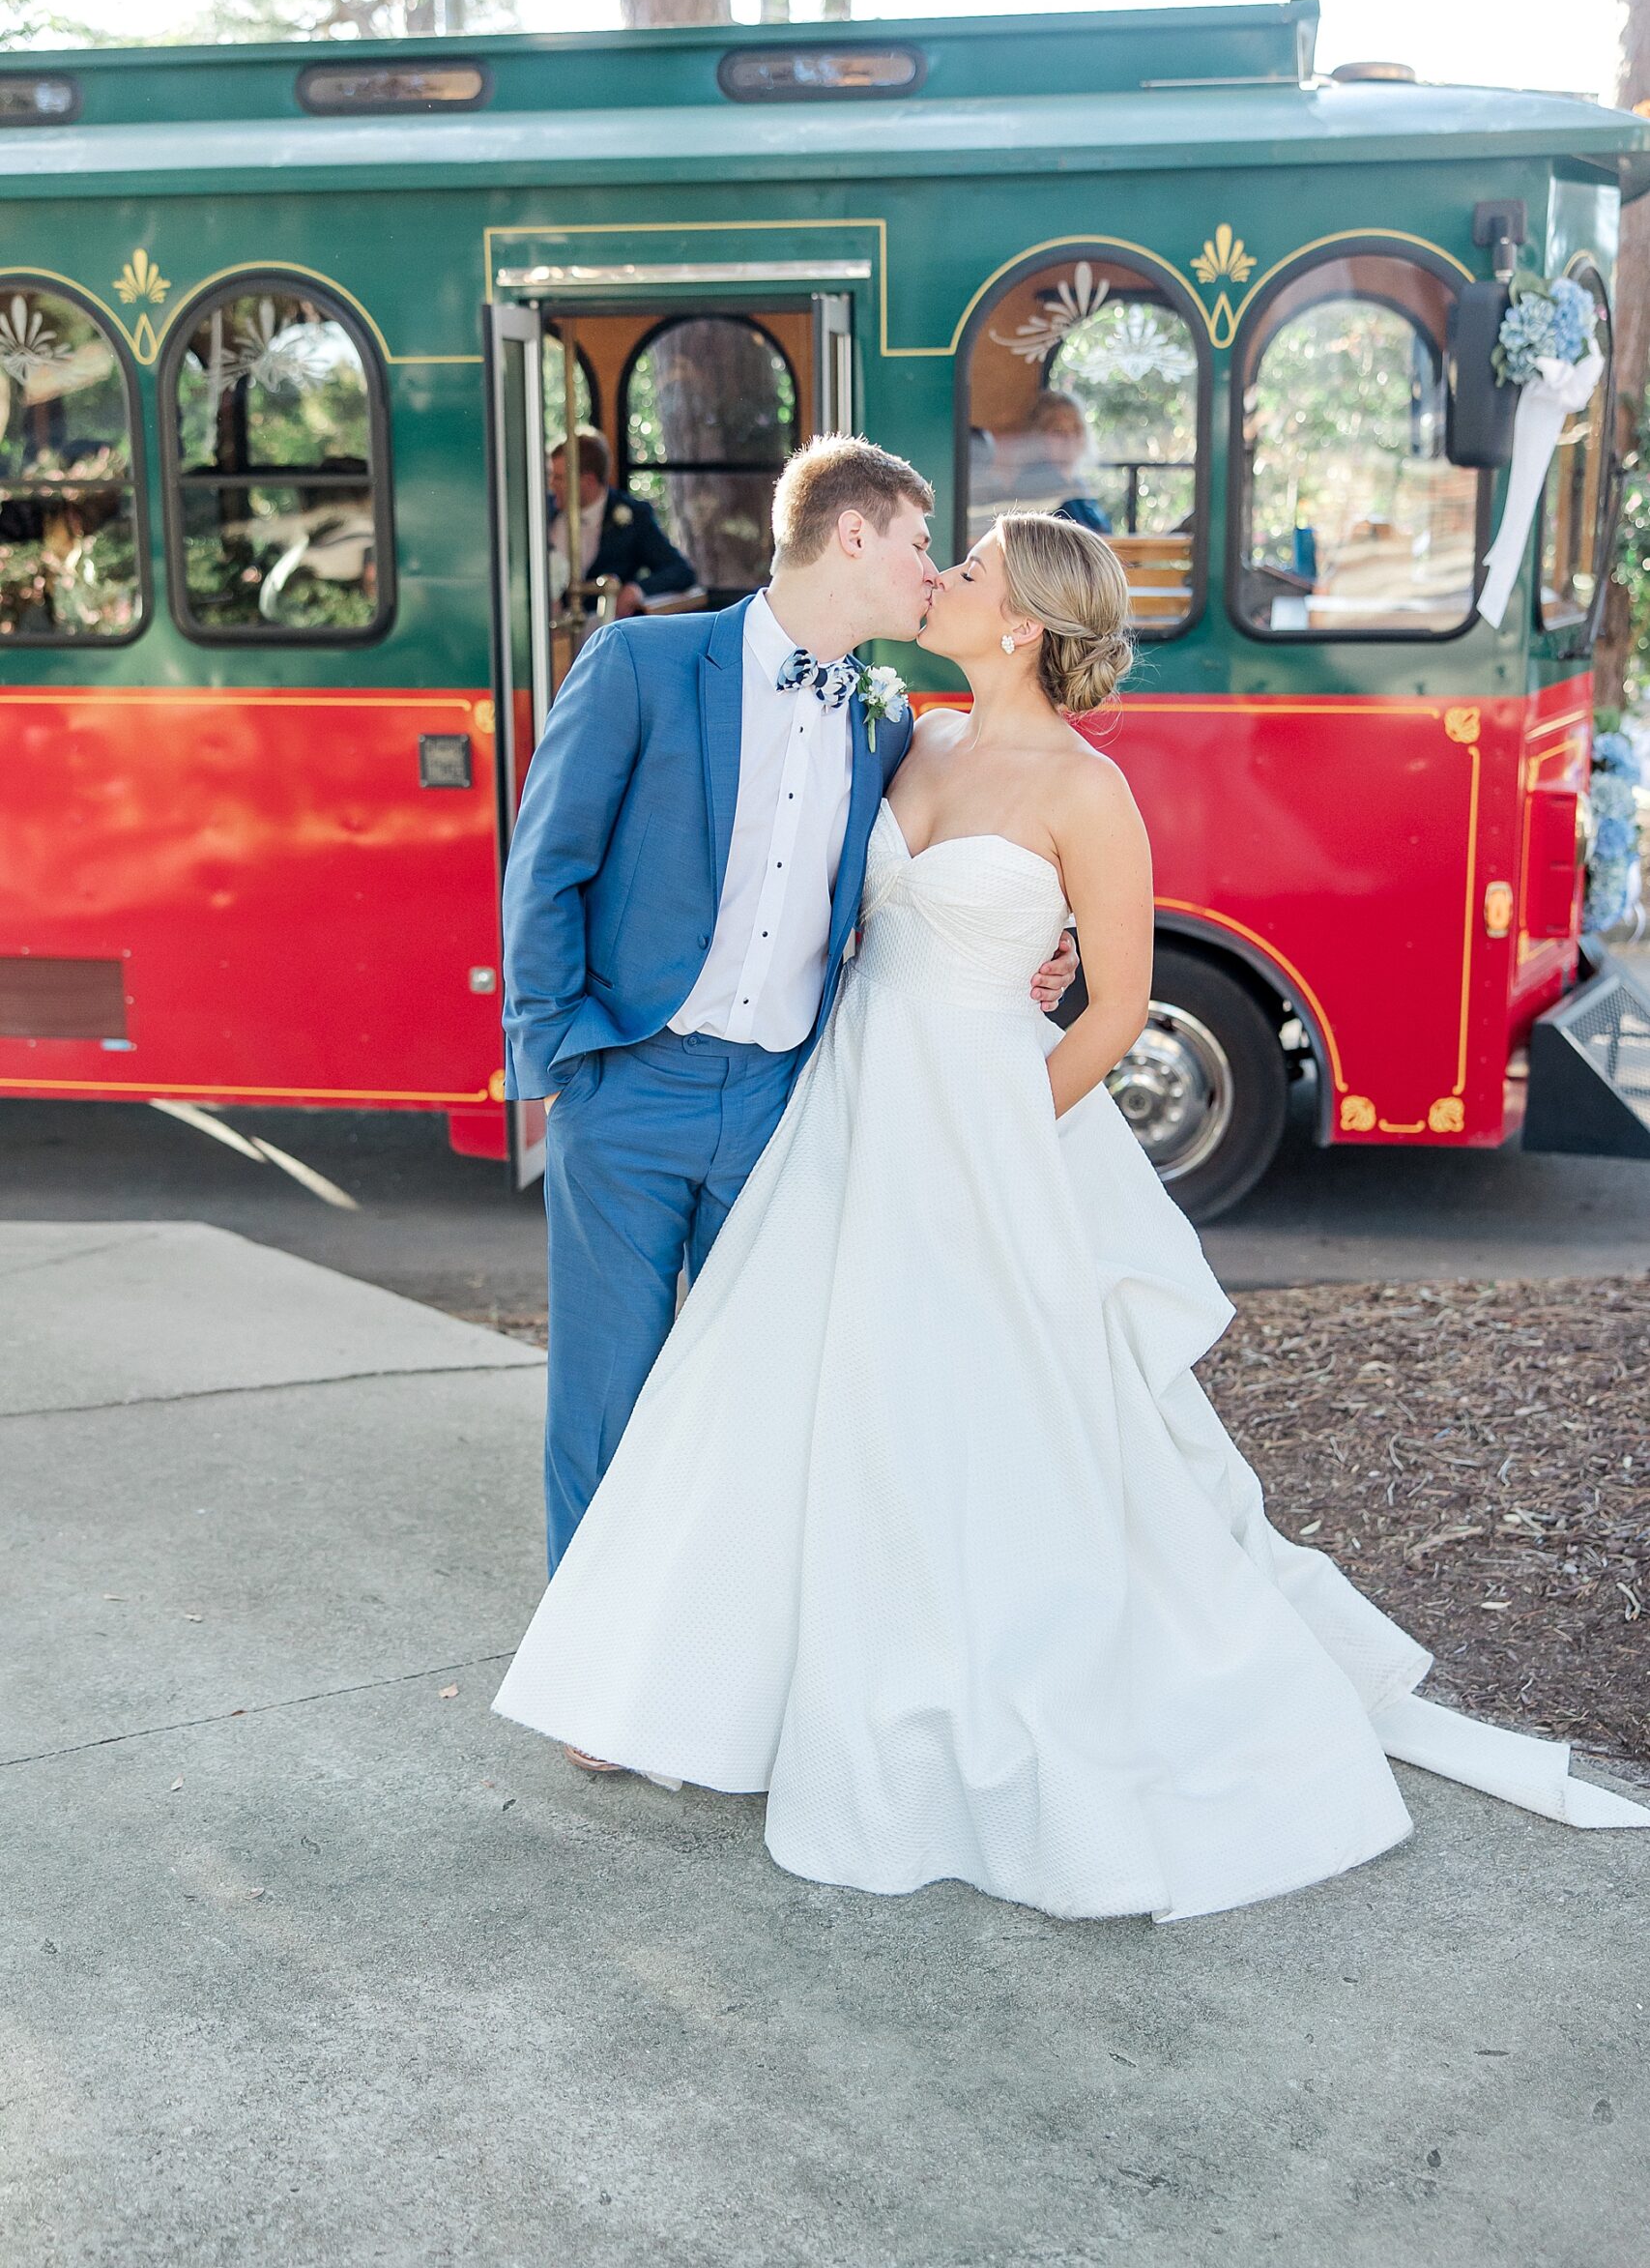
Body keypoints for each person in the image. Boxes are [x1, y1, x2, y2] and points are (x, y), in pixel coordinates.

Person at [496, 507, 1649, 1917]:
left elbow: (1112, 1006)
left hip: (973, 1129)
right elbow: (836, 909)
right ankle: (681, 1679)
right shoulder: (903, 733)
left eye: (964, 571)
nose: (940, 579)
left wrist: (996, 1123)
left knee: (958, 1421)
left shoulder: (1086, 793)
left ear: (1023, 622)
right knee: (773, 1398)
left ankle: (938, 1684)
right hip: (844, 1105)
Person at [501, 437, 1078, 1607]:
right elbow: (545, 868)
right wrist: (558, 1059)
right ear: (852, 537)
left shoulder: (890, 717)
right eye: (923, 544)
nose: (933, 569)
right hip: (631, 1083)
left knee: (750, 1391)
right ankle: (590, 1652)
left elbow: (953, 858)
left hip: (783, 1102)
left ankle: (710, 1643)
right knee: (606, 1385)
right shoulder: (642, 663)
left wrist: (1044, 945)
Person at [548, 426, 697, 616]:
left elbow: (680, 571)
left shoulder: (633, 516)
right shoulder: (542, 513)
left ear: (588, 481)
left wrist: (636, 590)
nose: (551, 484)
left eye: (559, 478)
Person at [1014, 389, 1114, 536]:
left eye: (1077, 430)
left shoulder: (1077, 485)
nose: (1070, 439)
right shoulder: (1036, 485)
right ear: (1038, 436)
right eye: (1058, 431)